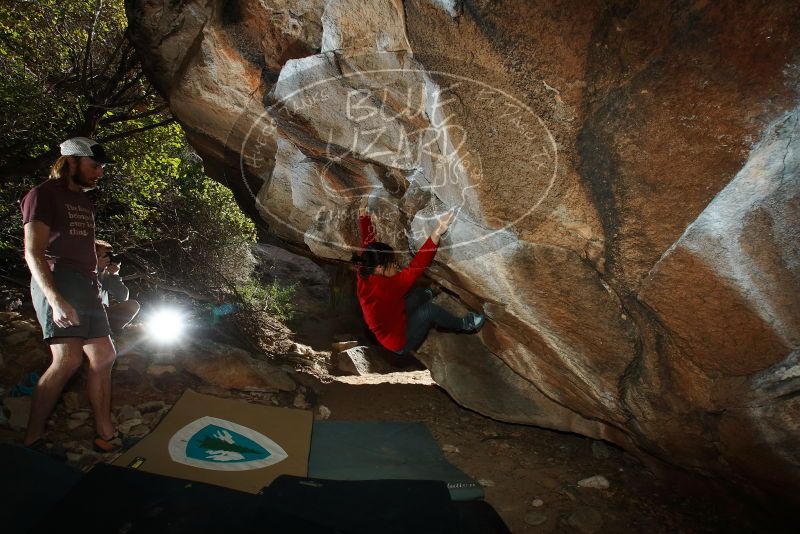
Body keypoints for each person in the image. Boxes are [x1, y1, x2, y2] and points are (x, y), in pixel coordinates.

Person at [20, 137, 122, 454]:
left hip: (85, 284)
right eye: (94, 166)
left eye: (102, 168)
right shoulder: (42, 195)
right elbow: (33, 252)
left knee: (104, 356)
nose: (100, 173)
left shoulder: (85, 202)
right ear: (72, 162)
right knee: (67, 360)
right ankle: (33, 439)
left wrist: (100, 275)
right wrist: (55, 299)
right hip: (58, 280)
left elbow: (79, 246)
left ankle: (105, 433)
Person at [352, 206, 485, 356]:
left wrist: (364, 219)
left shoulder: (365, 269)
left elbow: (368, 246)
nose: (396, 265)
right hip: (399, 340)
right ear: (380, 268)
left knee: (415, 295)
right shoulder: (384, 288)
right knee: (428, 311)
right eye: (392, 263)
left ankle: (428, 293)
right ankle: (466, 324)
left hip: (394, 316)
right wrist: (437, 232)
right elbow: (416, 267)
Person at [95, 239, 140, 333]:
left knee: (132, 305)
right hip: (85, 312)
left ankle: (112, 331)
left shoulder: (106, 275)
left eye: (110, 255)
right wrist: (98, 268)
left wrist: (115, 275)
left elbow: (123, 297)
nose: (109, 258)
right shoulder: (83, 269)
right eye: (105, 255)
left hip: (103, 314)